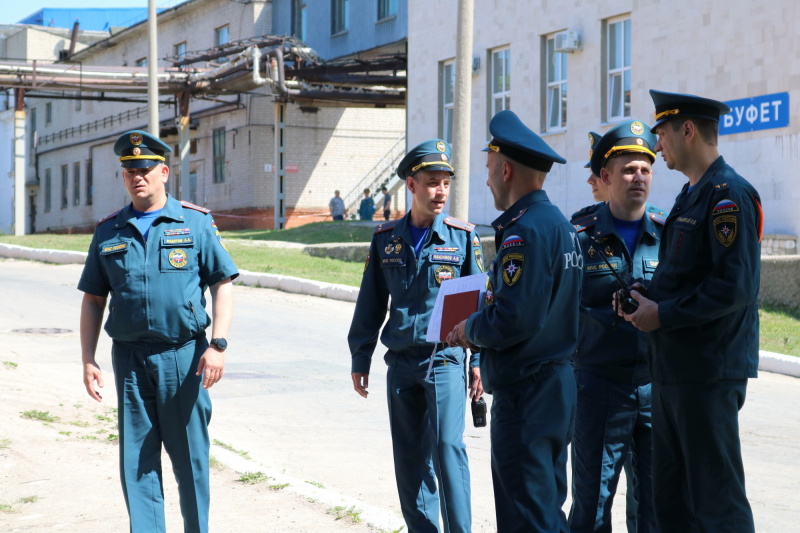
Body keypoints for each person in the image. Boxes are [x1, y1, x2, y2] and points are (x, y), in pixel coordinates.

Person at [78, 130, 238, 533]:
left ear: (164, 171)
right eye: (130, 170)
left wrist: (217, 345)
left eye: (146, 168)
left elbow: (223, 282)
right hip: (130, 361)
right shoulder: (109, 232)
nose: (138, 176)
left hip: (184, 358)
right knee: (137, 463)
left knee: (190, 461)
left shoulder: (195, 223)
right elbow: (94, 299)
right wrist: (88, 359)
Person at [618, 90, 763, 533]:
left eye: (661, 133)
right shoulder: (688, 195)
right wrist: (644, 294)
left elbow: (734, 287)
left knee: (716, 503)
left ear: (687, 131)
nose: (657, 145)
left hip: (707, 374)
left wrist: (663, 314)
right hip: (673, 370)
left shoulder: (727, 196)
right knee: (671, 503)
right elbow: (683, 275)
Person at [446, 110, 582, 533]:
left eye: (489, 170)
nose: (487, 180)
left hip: (528, 392)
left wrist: (469, 329)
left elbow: (515, 319)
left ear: (506, 170)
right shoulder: (559, 224)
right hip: (555, 386)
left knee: (529, 517)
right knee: (545, 507)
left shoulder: (525, 232)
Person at [348, 139, 484, 533]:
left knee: (447, 448)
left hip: (444, 358)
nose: (440, 192)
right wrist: (361, 358)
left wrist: (478, 361)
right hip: (401, 364)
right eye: (431, 183)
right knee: (409, 458)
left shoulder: (462, 238)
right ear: (411, 185)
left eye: (445, 183)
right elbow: (370, 303)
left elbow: (480, 305)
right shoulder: (386, 238)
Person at [569, 120, 665, 533]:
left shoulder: (671, 234)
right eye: (628, 169)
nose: (638, 177)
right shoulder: (579, 238)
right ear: (605, 177)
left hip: (655, 387)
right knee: (592, 506)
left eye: (645, 169)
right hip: (597, 387)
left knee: (655, 506)